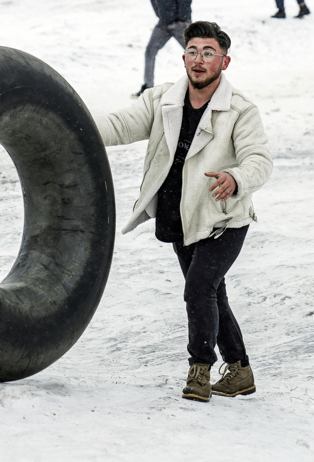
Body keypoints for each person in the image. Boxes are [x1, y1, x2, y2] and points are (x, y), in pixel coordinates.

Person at [96, 20, 272, 403]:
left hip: (224, 217)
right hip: (179, 215)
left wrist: (235, 177)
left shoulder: (240, 110)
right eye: (193, 51)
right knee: (210, 293)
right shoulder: (163, 100)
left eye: (209, 53)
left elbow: (259, 160)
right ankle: (240, 371)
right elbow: (122, 124)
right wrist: (74, 123)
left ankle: (200, 370)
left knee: (198, 290)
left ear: (224, 62)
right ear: (183, 57)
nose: (199, 60)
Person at [136, 0, 191, 96]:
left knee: (194, 55)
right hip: (163, 24)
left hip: (180, 24)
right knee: (150, 51)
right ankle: (148, 87)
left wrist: (182, 20)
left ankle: (205, 85)